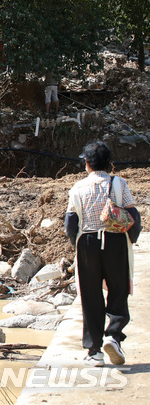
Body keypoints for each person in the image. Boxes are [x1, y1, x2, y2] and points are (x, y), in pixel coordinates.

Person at [65, 141, 141, 367]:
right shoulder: (119, 184)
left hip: (87, 242)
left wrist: (76, 244)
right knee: (118, 289)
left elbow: (71, 221)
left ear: (86, 164)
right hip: (115, 241)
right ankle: (114, 336)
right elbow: (133, 215)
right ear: (110, 164)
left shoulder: (77, 187)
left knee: (90, 294)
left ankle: (94, 350)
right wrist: (131, 239)